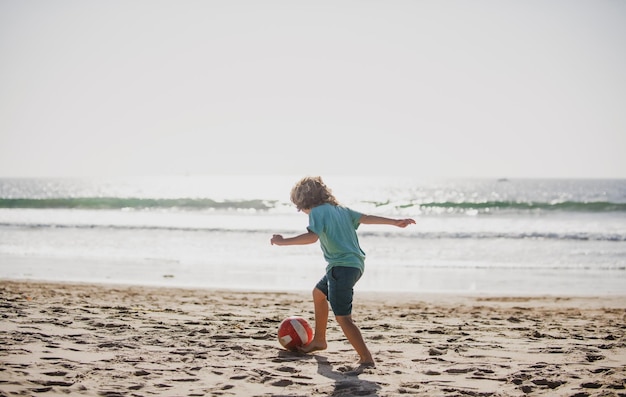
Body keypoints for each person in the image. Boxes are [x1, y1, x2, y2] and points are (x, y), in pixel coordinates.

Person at [270, 176, 415, 369]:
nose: (302, 212)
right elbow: (367, 218)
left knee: (343, 317)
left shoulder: (317, 212)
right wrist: (395, 221)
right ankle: (319, 340)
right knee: (319, 293)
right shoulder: (342, 210)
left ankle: (366, 358)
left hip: (341, 268)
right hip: (354, 265)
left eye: (300, 208)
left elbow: (312, 237)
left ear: (304, 202)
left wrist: (283, 242)